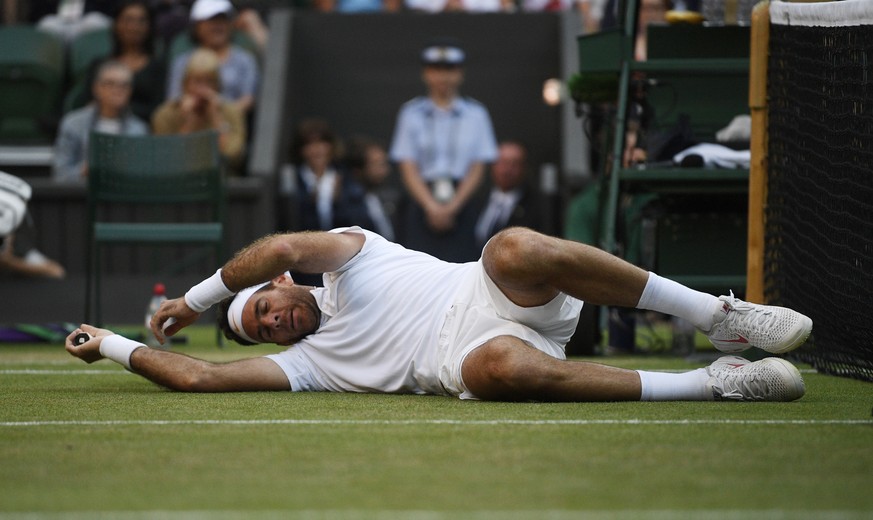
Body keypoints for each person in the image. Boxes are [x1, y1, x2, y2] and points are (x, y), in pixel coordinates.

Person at [68, 225, 811, 403]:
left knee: (512, 246)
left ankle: (718, 316)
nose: (268, 322)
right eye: (257, 329)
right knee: (492, 370)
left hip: (496, 294)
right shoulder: (309, 365)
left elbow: (279, 245)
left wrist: (194, 303)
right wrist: (109, 345)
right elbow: (199, 378)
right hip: (474, 355)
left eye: (262, 305)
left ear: (287, 285)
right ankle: (716, 382)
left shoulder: (348, 255)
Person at [389, 38, 498, 262]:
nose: (443, 77)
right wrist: (431, 206)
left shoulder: (476, 113)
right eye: (436, 70)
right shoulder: (411, 112)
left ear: (460, 74)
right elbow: (407, 165)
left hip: (462, 200)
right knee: (417, 267)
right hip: (422, 200)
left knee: (463, 268)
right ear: (426, 74)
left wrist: (453, 206)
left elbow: (478, 166)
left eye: (449, 70)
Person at [151, 47, 246, 172]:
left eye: (209, 82)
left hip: (221, 180)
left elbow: (231, 157)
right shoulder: (166, 114)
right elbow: (167, 162)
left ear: (218, 85)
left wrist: (215, 117)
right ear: (185, 84)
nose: (203, 89)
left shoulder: (231, 112)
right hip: (178, 181)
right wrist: (190, 122)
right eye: (197, 81)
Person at [52, 60, 150, 181]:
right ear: (96, 88)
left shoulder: (139, 129)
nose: (117, 90)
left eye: (124, 85)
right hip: (79, 195)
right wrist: (85, 170)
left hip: (123, 196)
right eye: (110, 84)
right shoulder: (73, 123)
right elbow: (60, 174)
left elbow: (142, 177)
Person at [70, 0, 167, 122]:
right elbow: (87, 101)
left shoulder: (158, 67)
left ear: (149, 26)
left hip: (141, 131)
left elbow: (158, 109)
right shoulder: (99, 64)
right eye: (128, 20)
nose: (134, 27)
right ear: (116, 24)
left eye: (141, 21)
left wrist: (117, 106)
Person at [165, 0, 259, 119]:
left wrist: (220, 114)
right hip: (189, 123)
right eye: (211, 21)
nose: (217, 26)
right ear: (197, 25)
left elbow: (248, 99)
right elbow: (173, 100)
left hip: (232, 125)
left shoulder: (245, 60)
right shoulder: (182, 62)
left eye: (222, 20)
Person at [473, 141, 543, 250]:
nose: (507, 170)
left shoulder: (536, 206)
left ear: (524, 168)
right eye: (503, 162)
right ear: (493, 165)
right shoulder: (477, 199)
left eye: (514, 164)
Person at [344, 136, 398, 242]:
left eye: (384, 163)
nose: (385, 170)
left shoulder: (389, 198)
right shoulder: (346, 203)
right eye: (377, 164)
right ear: (358, 170)